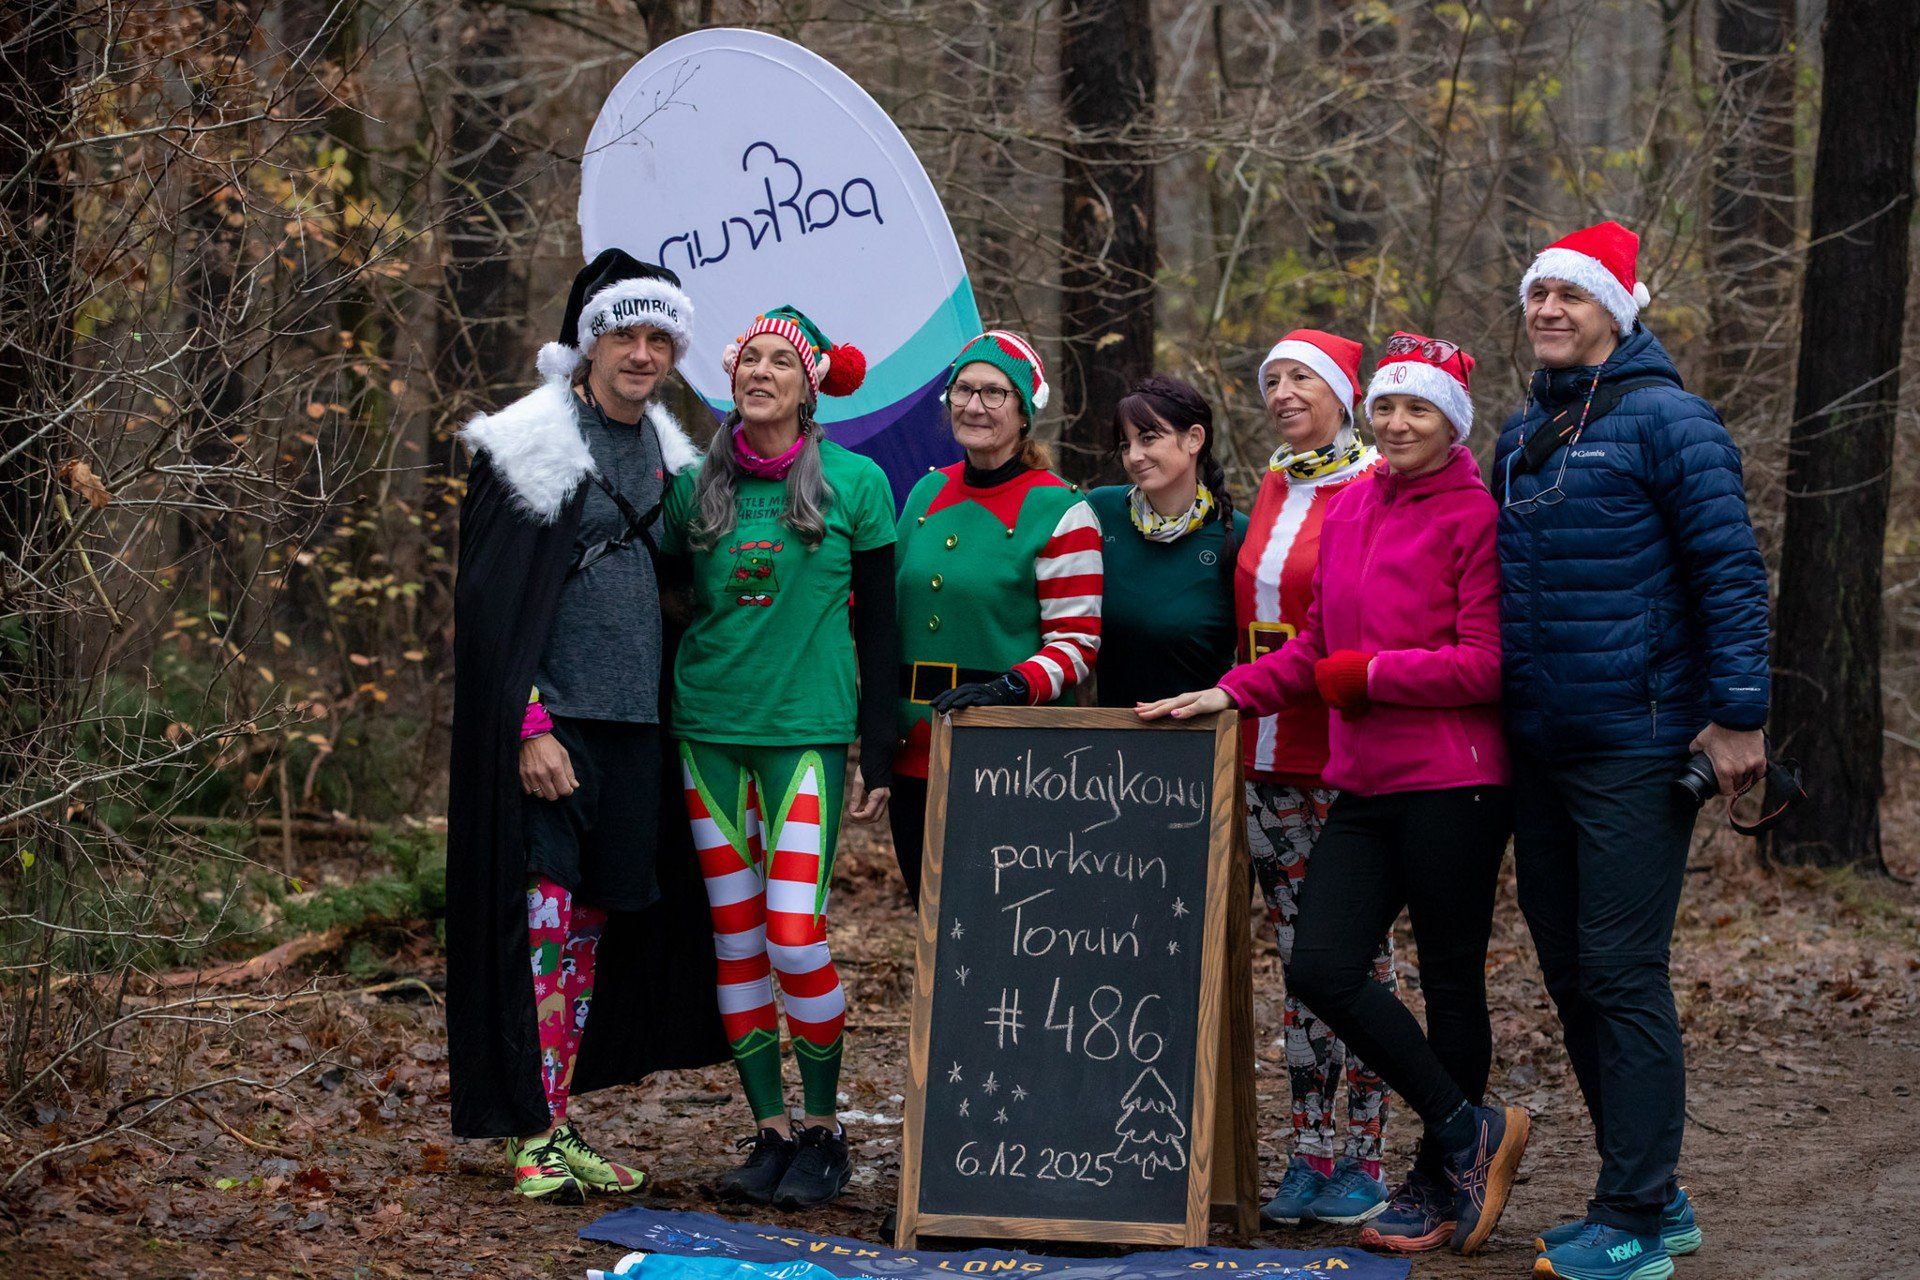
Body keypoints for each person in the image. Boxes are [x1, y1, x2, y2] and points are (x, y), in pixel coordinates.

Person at [1141, 334, 1528, 1258]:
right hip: (1365, 782)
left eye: (1418, 410)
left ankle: (1441, 1175)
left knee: (1448, 981)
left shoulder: (1475, 515)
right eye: (1388, 407)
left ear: (1450, 423)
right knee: (1320, 965)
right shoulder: (1351, 510)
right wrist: (1228, 692)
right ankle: (1467, 1127)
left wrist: (1374, 674)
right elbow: (1313, 650)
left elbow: (1488, 662)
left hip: (1455, 782)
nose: (1397, 424)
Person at [1499, 222, 1766, 1280]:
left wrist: (1738, 712)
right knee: (1571, 970)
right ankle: (1654, 1190)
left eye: (1572, 294)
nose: (1551, 310)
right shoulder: (1527, 430)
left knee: (1619, 970)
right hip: (1541, 746)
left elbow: (1731, 572)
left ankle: (1636, 1217)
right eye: (1538, 295)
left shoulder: (1671, 420)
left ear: (1620, 306)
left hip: (1639, 741)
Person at [447, 249, 728, 1201]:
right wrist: (527, 726)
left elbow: (687, 588)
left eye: (659, 337)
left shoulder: (669, 452)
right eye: (624, 334)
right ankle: (531, 1129)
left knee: (592, 934)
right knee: (543, 926)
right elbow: (489, 609)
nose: (641, 353)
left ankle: (559, 1119)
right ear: (587, 340)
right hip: (552, 731)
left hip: (636, 733)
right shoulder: (528, 443)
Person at [661, 304, 899, 1209]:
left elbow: (881, 625)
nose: (761, 373)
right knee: (736, 935)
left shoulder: (857, 482)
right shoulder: (693, 488)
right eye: (748, 359)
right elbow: (670, 601)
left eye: (781, 363)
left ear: (810, 385)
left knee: (792, 930)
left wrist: (879, 746)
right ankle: (768, 1127)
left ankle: (824, 1126)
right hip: (708, 731)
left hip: (803, 731)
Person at [1234, 331, 1397, 1227]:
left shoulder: (1373, 485)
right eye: (1273, 380)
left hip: (1348, 754)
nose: (1284, 393)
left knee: (1358, 961)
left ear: (1344, 391)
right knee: (1300, 965)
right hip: (1265, 756)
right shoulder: (1272, 482)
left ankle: (1367, 1158)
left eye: (1303, 378)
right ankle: (1309, 1152)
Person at [889, 330, 1103, 905]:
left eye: (994, 393)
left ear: (1024, 410)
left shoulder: (1061, 509)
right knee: (931, 920)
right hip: (916, 749)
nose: (974, 406)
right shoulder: (924, 493)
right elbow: (886, 612)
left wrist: (1010, 685)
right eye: (963, 390)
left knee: (1000, 925)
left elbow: (1077, 644)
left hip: (1011, 756)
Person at [1085, 375, 1247, 708]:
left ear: (1194, 439)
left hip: (1200, 741)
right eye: (1126, 445)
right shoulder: (1100, 512)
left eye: (1148, 438)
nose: (1134, 456)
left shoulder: (1238, 534)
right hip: (1106, 739)